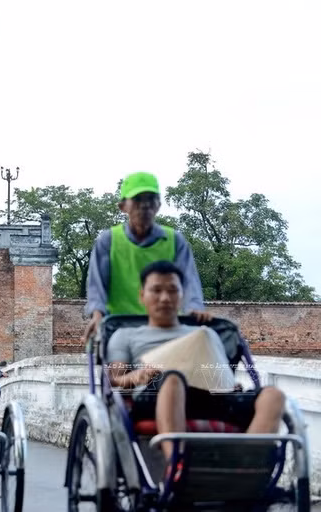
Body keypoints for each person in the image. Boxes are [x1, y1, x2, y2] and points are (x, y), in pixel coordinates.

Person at [106, 260, 285, 477]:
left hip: (211, 398)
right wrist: (137, 375)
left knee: (273, 396)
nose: (165, 298)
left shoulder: (205, 332)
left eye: (172, 290)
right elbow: (115, 379)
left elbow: (218, 372)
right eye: (157, 290)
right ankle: (177, 466)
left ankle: (248, 467)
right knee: (173, 379)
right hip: (155, 396)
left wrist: (226, 383)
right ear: (142, 295)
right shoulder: (125, 335)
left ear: (182, 295)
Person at [84, 171, 211, 341]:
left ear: (158, 205)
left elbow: (189, 281)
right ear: (123, 206)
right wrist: (97, 313)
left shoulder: (174, 240)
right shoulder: (109, 240)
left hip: (166, 327)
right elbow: (97, 286)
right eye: (137, 200)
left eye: (151, 199)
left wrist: (194, 308)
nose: (145, 205)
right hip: (121, 328)